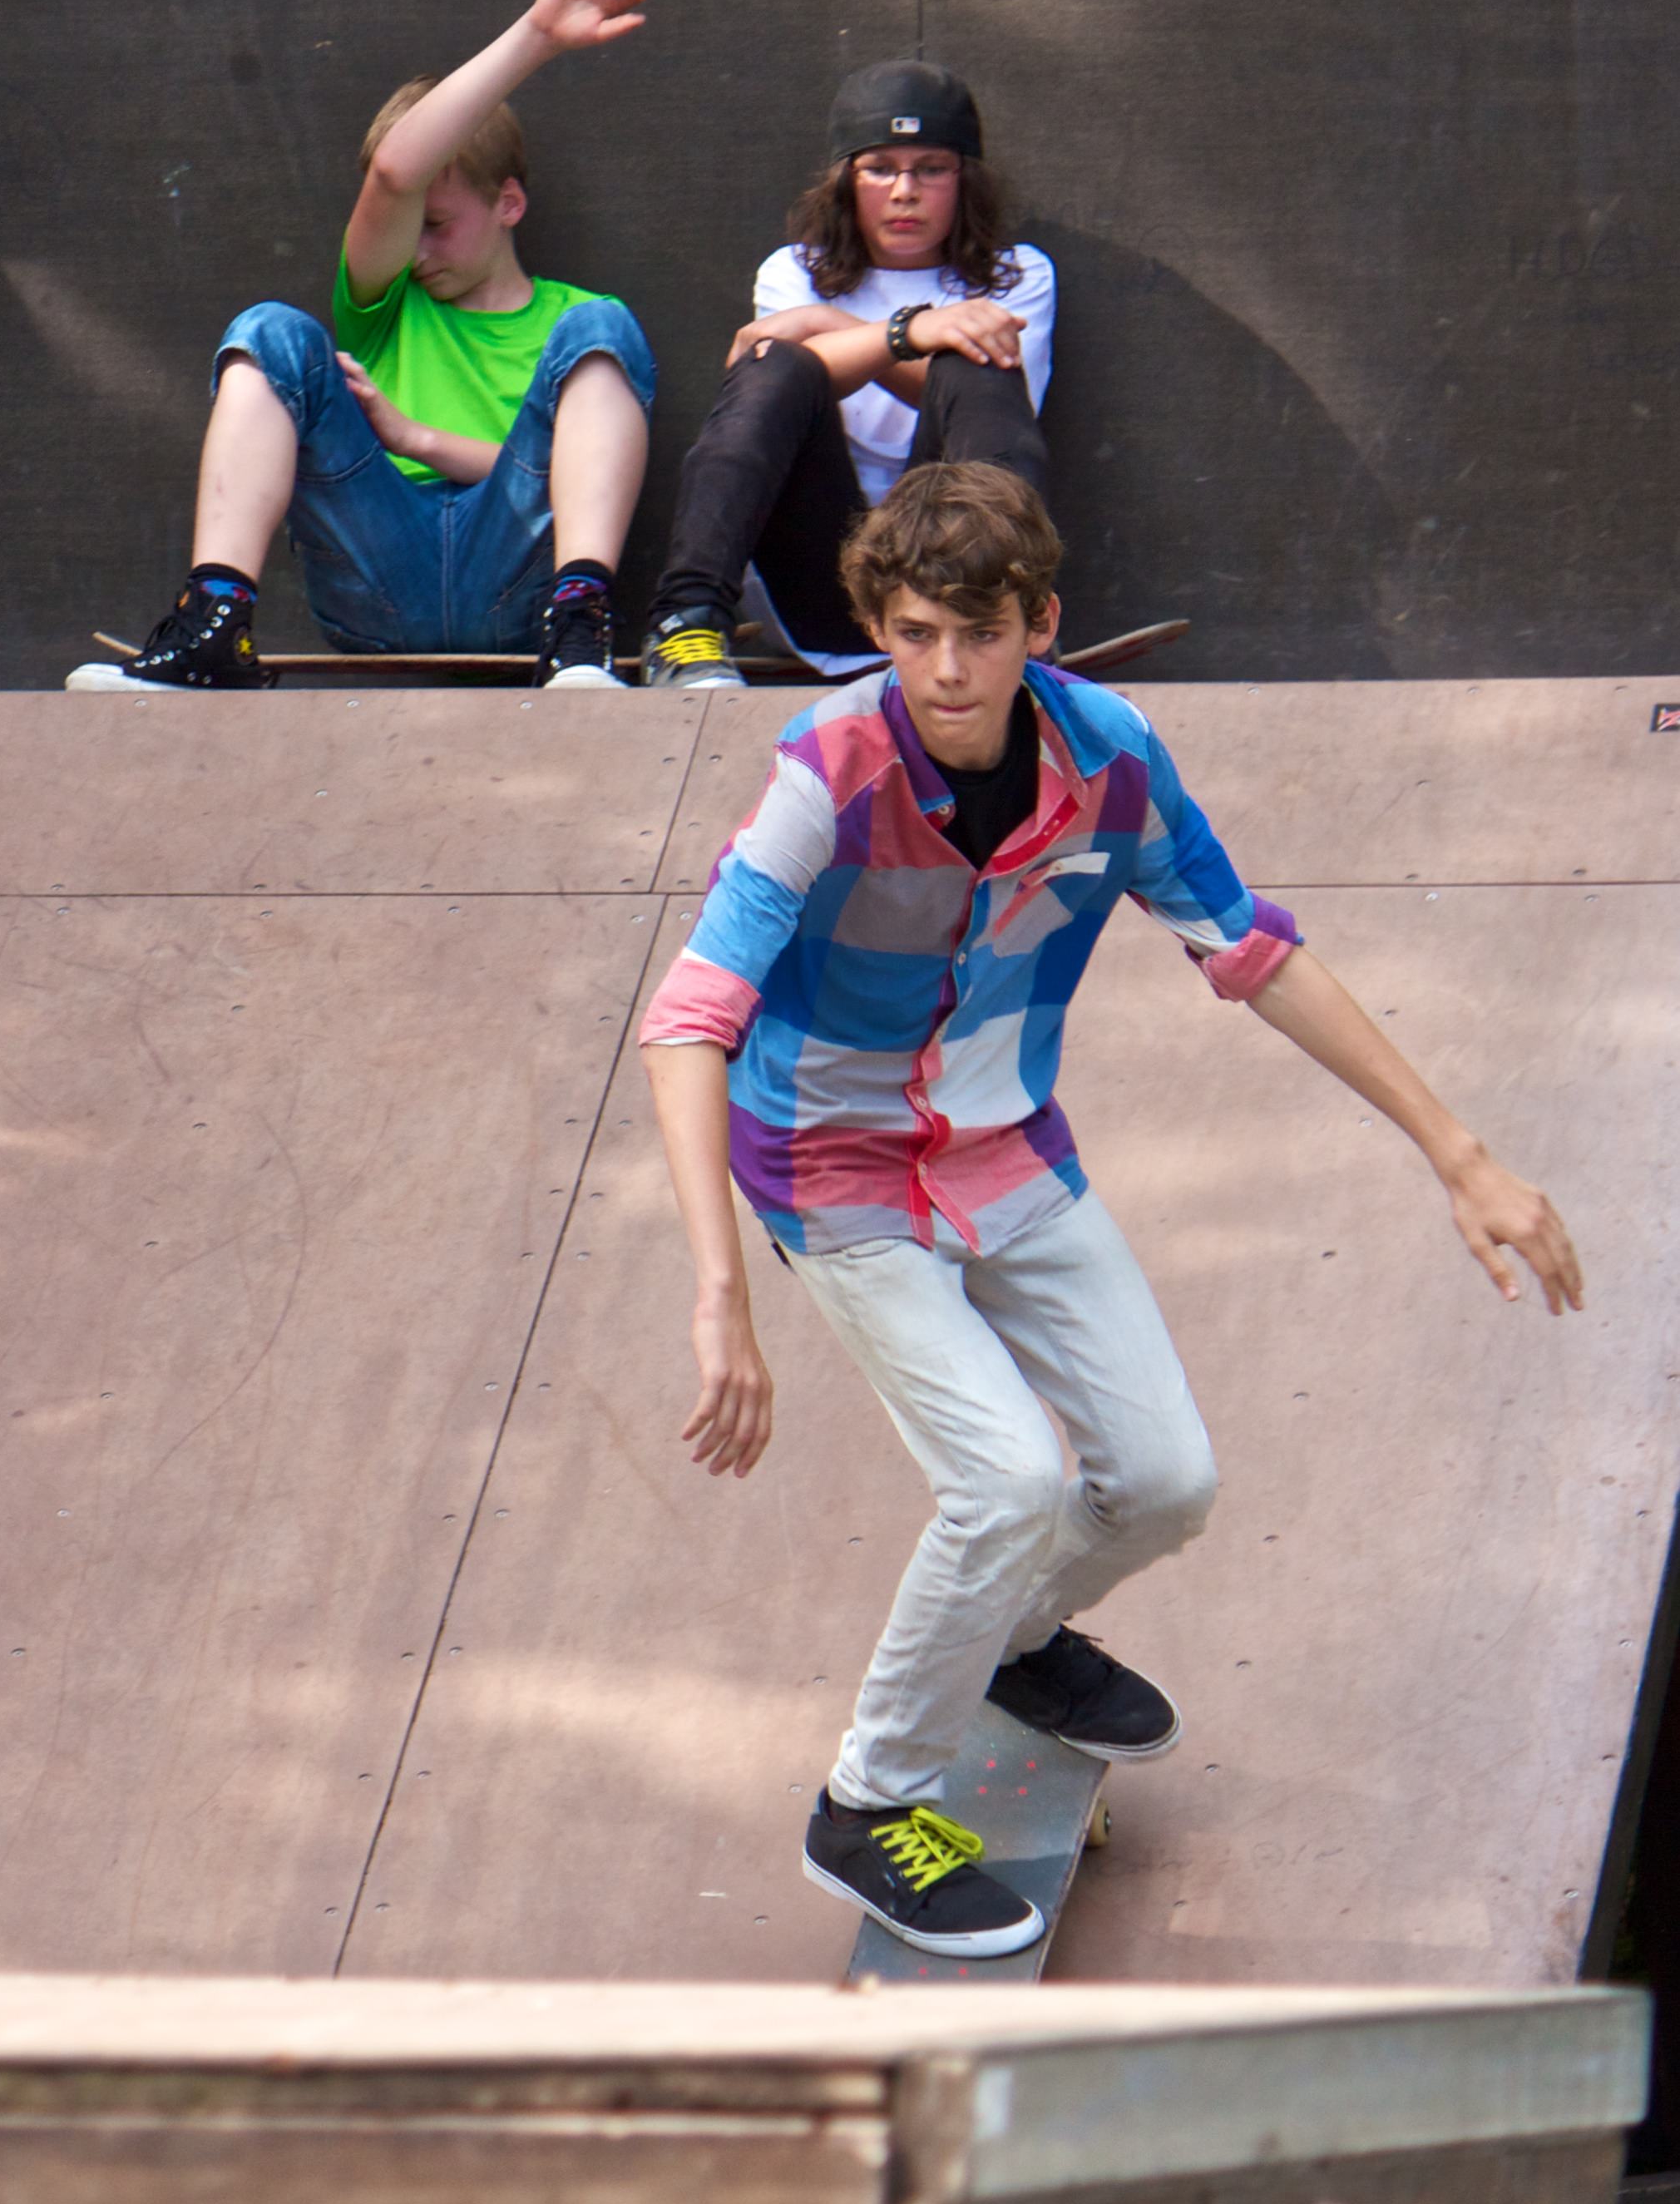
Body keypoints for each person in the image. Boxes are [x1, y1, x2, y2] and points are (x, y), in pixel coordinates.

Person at [638, 462, 1582, 1961]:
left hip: (1006, 1147)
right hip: (828, 1164)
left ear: (1041, 625)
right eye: (914, 635)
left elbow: (1253, 951)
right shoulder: (824, 775)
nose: (947, 672)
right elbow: (689, 1022)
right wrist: (719, 1290)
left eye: (981, 634)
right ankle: (869, 1804)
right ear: (878, 629)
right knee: (1007, 1482)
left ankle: (1011, 1638)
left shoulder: (1114, 761)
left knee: (1163, 1481)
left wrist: (1457, 1156)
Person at [72, 0, 658, 692]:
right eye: (408, 229)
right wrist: (537, 34)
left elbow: (560, 476)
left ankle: (580, 626)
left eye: (436, 226)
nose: (415, 252)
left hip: (520, 587)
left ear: (508, 203)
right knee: (269, 331)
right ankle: (213, 621)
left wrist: (415, 438)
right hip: (378, 573)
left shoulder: (571, 326)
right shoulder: (383, 303)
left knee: (604, 329)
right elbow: (393, 174)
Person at [640, 58, 1052, 689]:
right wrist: (909, 332)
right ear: (844, 183)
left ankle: (1007, 617)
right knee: (780, 364)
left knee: (976, 365)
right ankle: (685, 623)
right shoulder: (793, 272)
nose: (904, 191)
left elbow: (999, 399)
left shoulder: (1017, 275)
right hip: (820, 578)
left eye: (931, 169)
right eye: (879, 168)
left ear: (965, 181)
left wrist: (830, 326)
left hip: (955, 583)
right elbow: (782, 385)